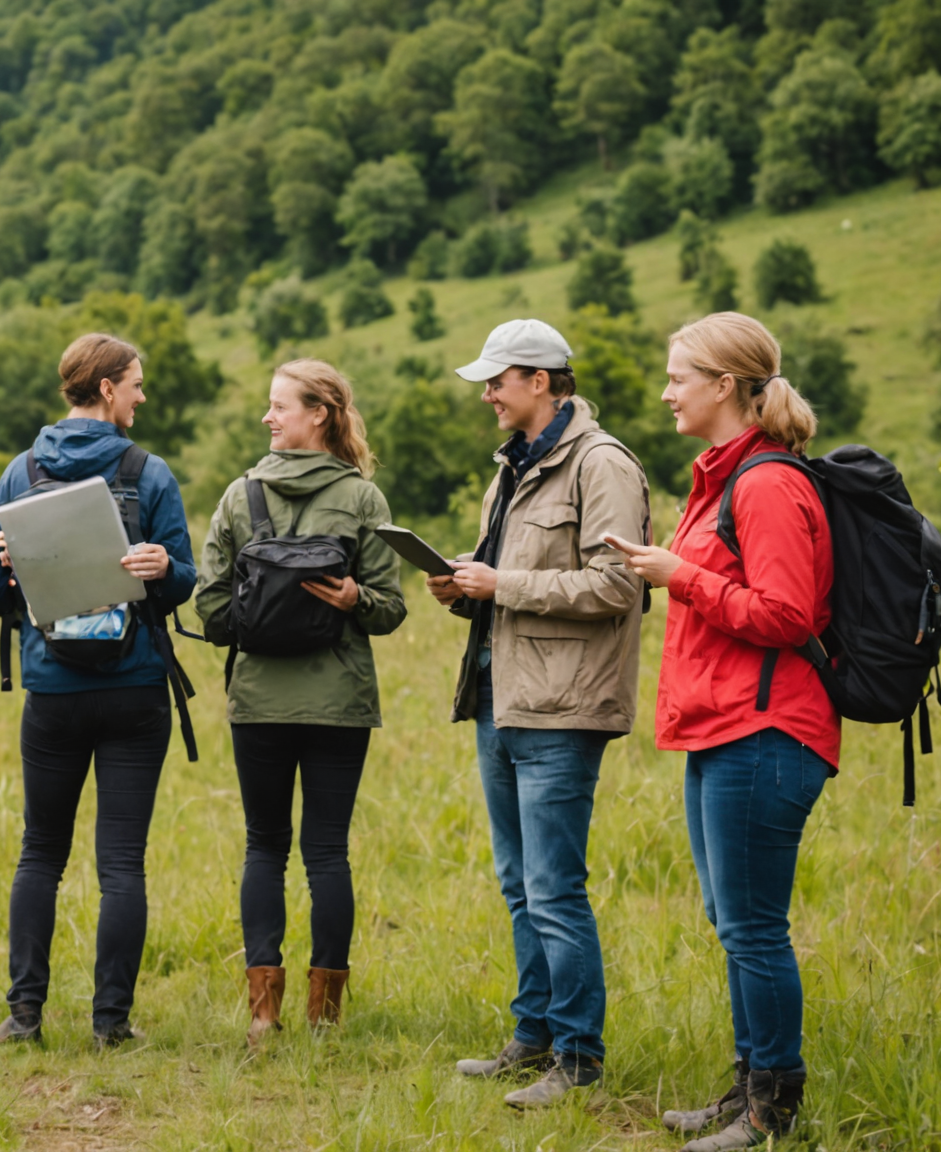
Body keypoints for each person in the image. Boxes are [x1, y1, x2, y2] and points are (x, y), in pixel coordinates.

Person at [606, 313, 833, 1151]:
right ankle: (747, 1091)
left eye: (678, 377)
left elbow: (787, 613)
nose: (666, 391)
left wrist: (681, 576)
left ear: (727, 385)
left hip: (767, 731)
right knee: (732, 919)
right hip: (722, 729)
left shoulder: (769, 484)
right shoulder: (722, 478)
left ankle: (773, 1110)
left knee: (753, 927)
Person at [426, 319, 650, 1106]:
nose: (487, 393)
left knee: (554, 886)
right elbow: (507, 583)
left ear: (543, 380)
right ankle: (533, 1037)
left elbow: (619, 586)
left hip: (564, 707)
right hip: (502, 695)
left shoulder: (603, 464)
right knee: (519, 883)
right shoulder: (510, 470)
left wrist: (502, 587)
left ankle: (579, 1060)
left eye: (498, 380)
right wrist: (464, 587)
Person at [0, 332, 198, 1050]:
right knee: (121, 860)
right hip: (135, 691)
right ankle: (110, 1025)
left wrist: (18, 572)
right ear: (105, 388)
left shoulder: (21, 472)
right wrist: (162, 567)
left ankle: (24, 1016)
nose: (142, 395)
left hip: (53, 690)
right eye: (135, 383)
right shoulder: (147, 471)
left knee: (40, 852)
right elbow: (183, 582)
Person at [192, 359, 406, 1047]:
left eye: (279, 406)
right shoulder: (364, 500)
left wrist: (258, 617)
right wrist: (352, 602)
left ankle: (263, 1010)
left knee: (264, 845)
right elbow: (390, 611)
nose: (267, 417)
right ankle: (326, 1014)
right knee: (326, 851)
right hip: (339, 702)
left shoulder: (238, 496)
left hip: (257, 701)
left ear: (319, 414)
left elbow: (212, 609)